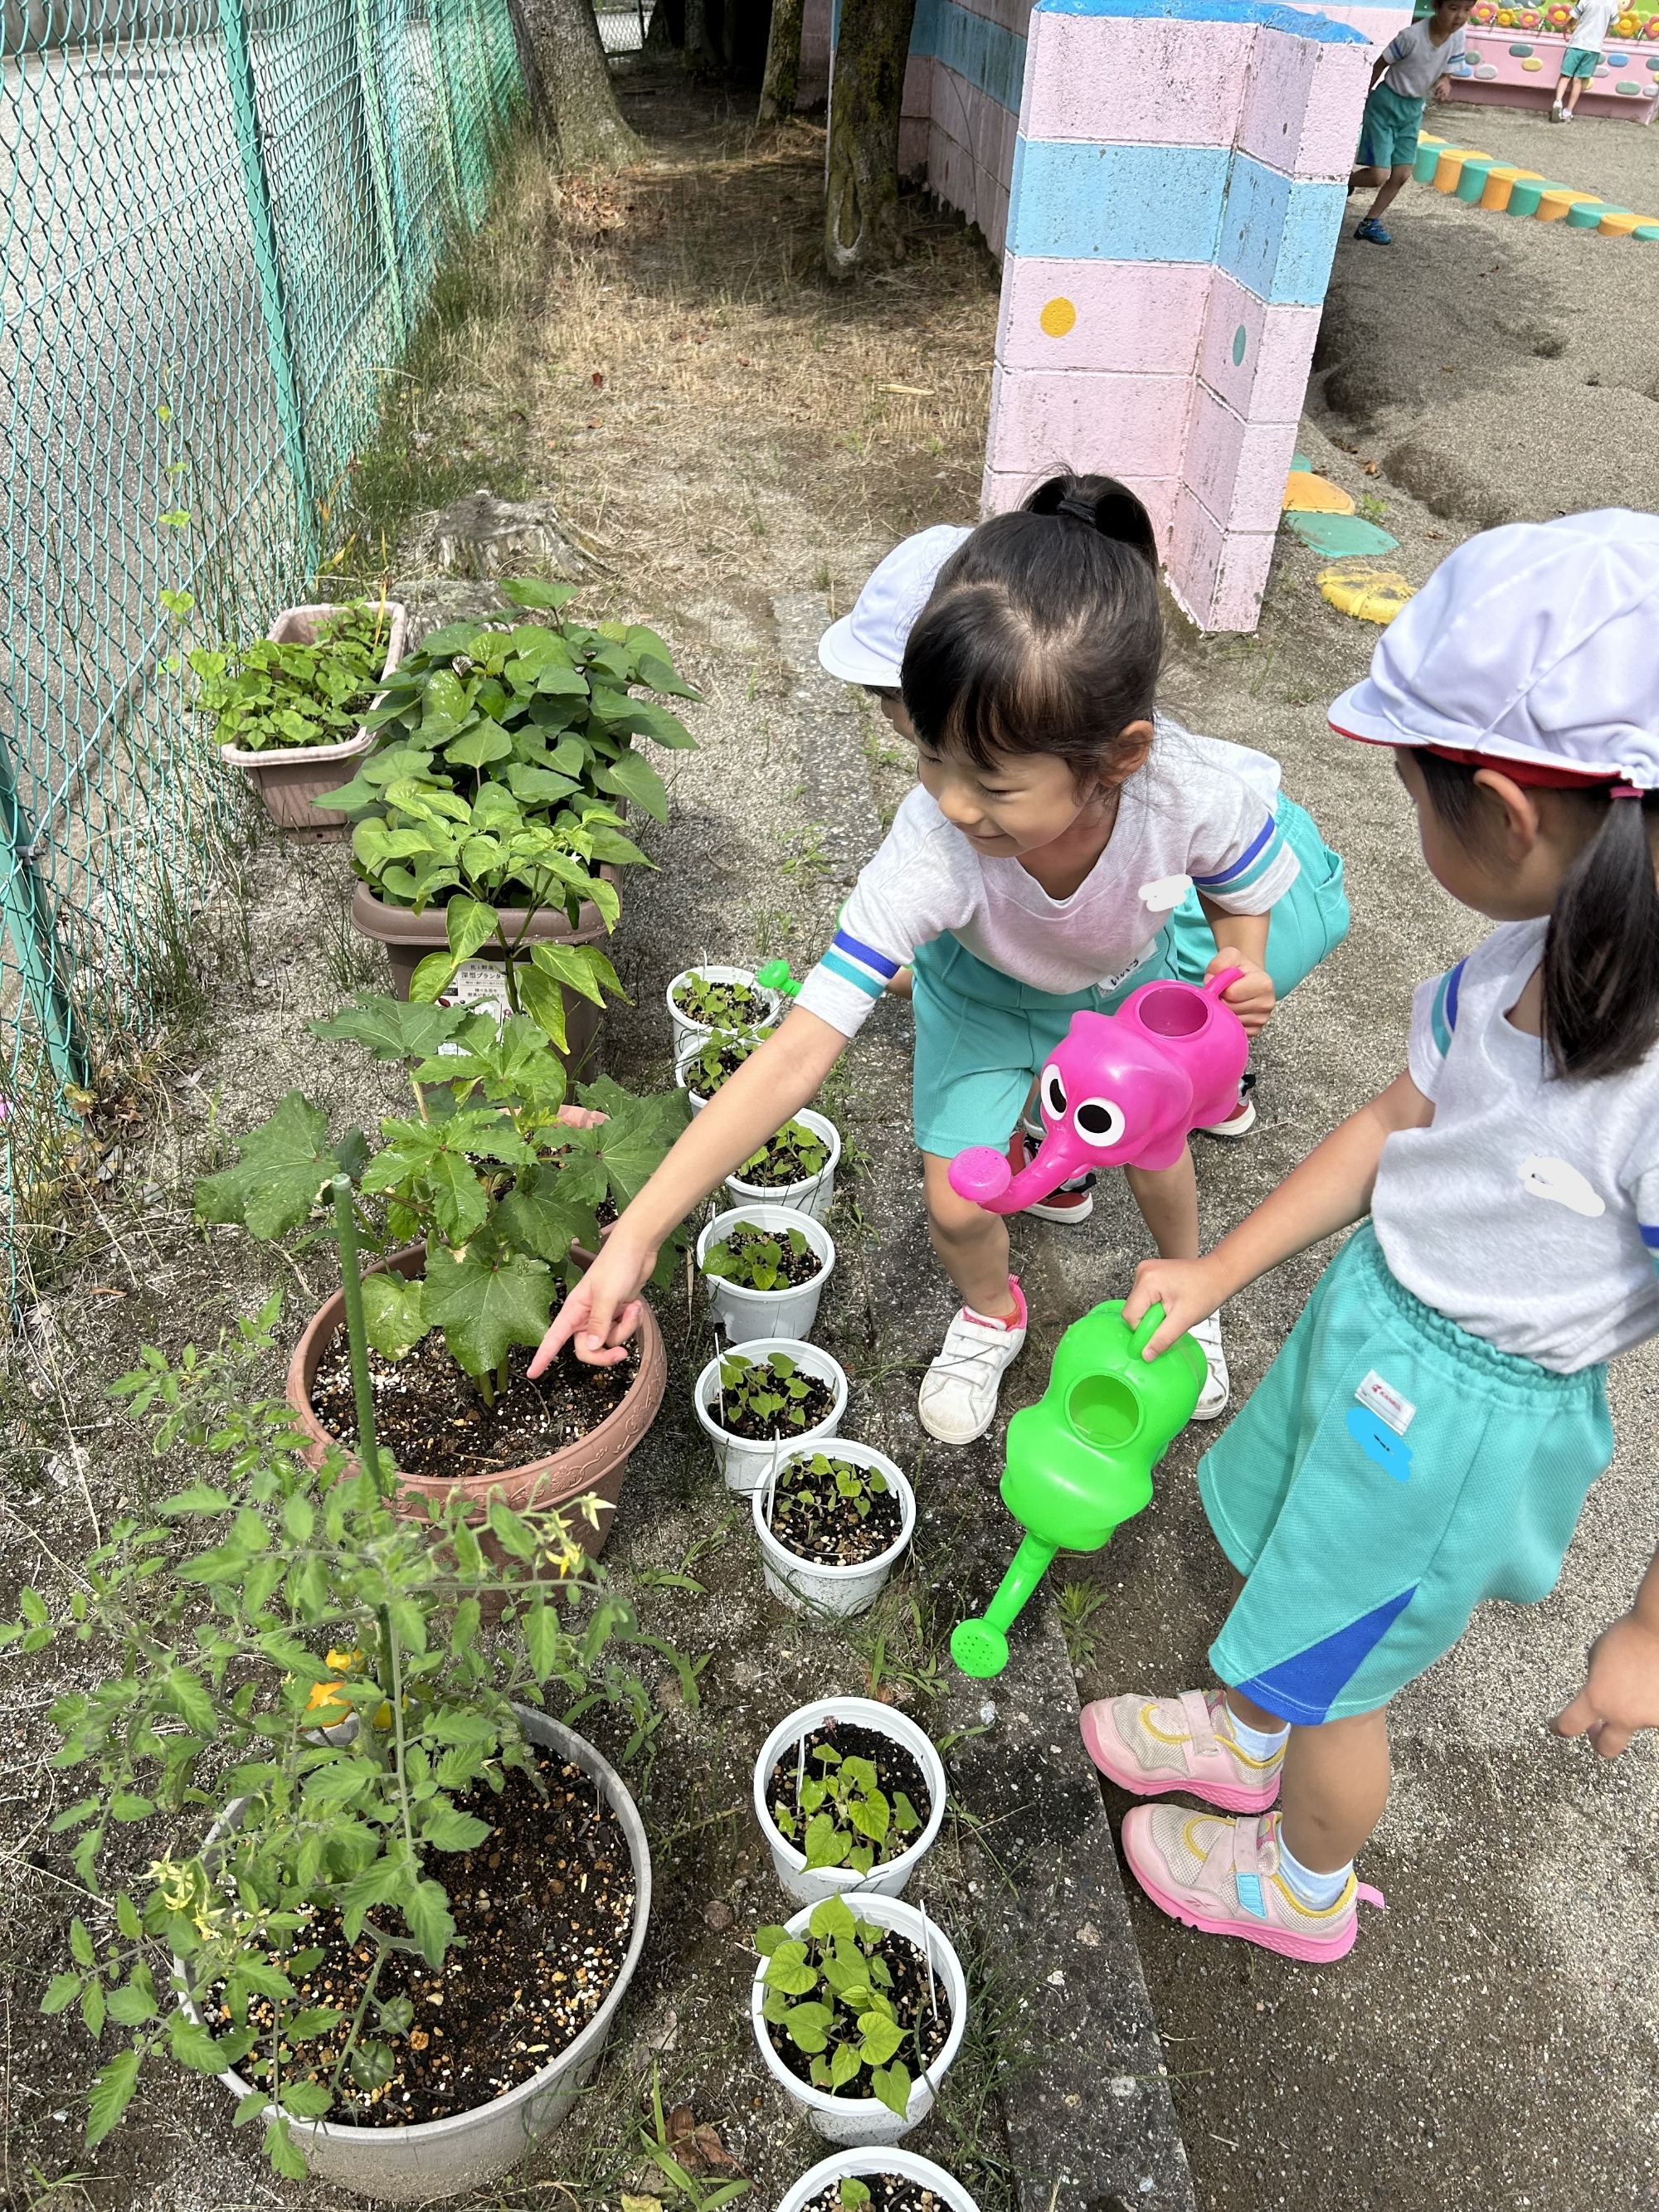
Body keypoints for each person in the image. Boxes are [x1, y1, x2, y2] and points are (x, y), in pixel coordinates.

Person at [1085, 509, 1659, 1964]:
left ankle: (1302, 1881)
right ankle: (1243, 1724)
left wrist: (1648, 1634)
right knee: (1298, 1561)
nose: (1410, 831)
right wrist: (1220, 1267)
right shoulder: (1524, 950)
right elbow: (1400, 1114)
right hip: (1379, 1323)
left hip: (1463, 1431)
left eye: (1413, 797)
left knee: (1349, 1677)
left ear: (1508, 812)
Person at [530, 475, 1348, 1439]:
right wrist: (635, 1235)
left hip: (1129, 994)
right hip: (983, 1000)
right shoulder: (933, 849)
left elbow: (1243, 874)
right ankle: (990, 1311)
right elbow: (796, 1052)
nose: (954, 802)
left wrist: (1236, 966)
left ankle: (1186, 1291)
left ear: (1117, 757)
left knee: (1155, 1155)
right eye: (929, 756)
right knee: (958, 1199)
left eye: (991, 781)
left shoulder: (1180, 789)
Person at [1349, 0, 1476, 246]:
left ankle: (1370, 223)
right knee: (1378, 175)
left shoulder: (1457, 37)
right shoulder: (1411, 36)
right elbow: (1380, 64)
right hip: (1385, 105)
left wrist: (1446, 81)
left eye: (1466, 9)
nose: (1460, 16)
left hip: (1413, 109)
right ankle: (1343, 182)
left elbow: (1448, 69)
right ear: (1436, 6)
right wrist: (1362, 97)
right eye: (1453, 8)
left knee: (1402, 173)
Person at [1552, 0, 1618, 119]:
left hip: (1577, 43)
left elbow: (1574, 18)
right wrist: (1603, 36)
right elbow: (1611, 25)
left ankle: (1558, 101)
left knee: (1566, 76)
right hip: (1594, 48)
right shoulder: (1612, 2)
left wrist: (1567, 26)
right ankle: (1568, 112)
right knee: (1578, 80)